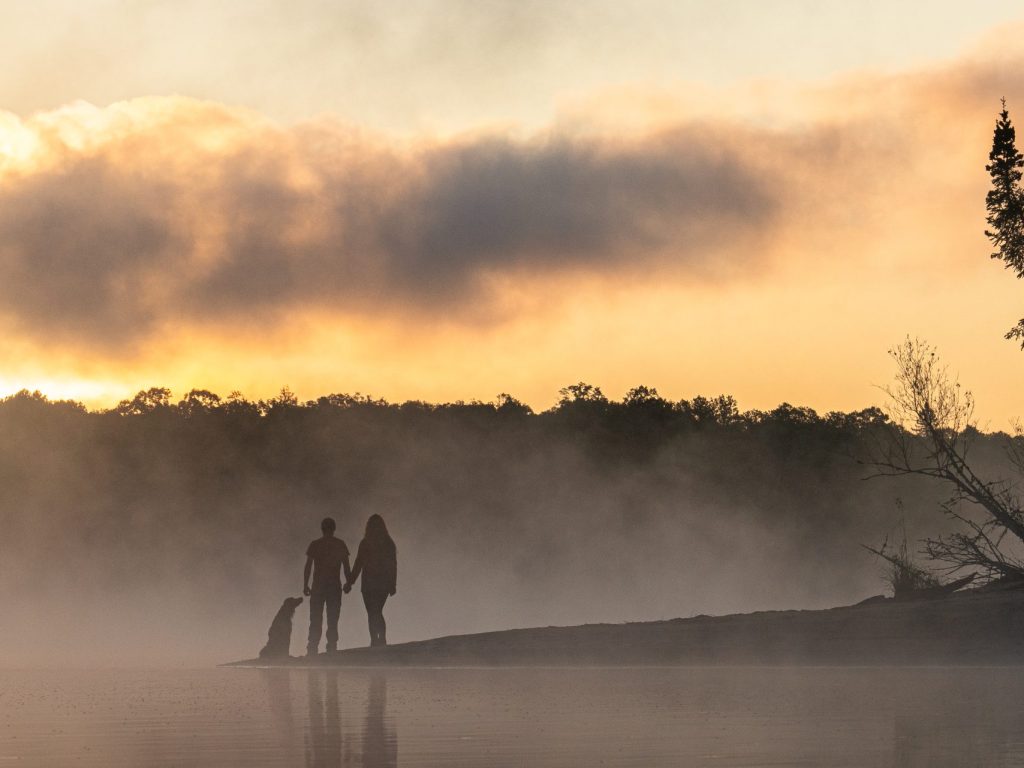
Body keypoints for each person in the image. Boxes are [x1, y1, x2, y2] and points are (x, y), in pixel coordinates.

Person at [303, 516, 352, 656]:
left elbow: (308, 566)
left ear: (322, 529)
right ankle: (331, 647)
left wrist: (305, 585)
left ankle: (312, 648)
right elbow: (346, 567)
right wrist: (349, 583)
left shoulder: (315, 544)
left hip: (318, 587)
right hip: (334, 587)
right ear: (334, 529)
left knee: (315, 619)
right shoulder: (340, 544)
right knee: (333, 618)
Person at [346, 514, 397, 647]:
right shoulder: (388, 542)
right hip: (382, 584)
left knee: (372, 612)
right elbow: (393, 565)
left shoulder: (366, 542)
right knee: (376, 611)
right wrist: (392, 584)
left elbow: (358, 563)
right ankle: (381, 639)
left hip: (369, 584)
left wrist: (350, 582)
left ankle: (375, 639)